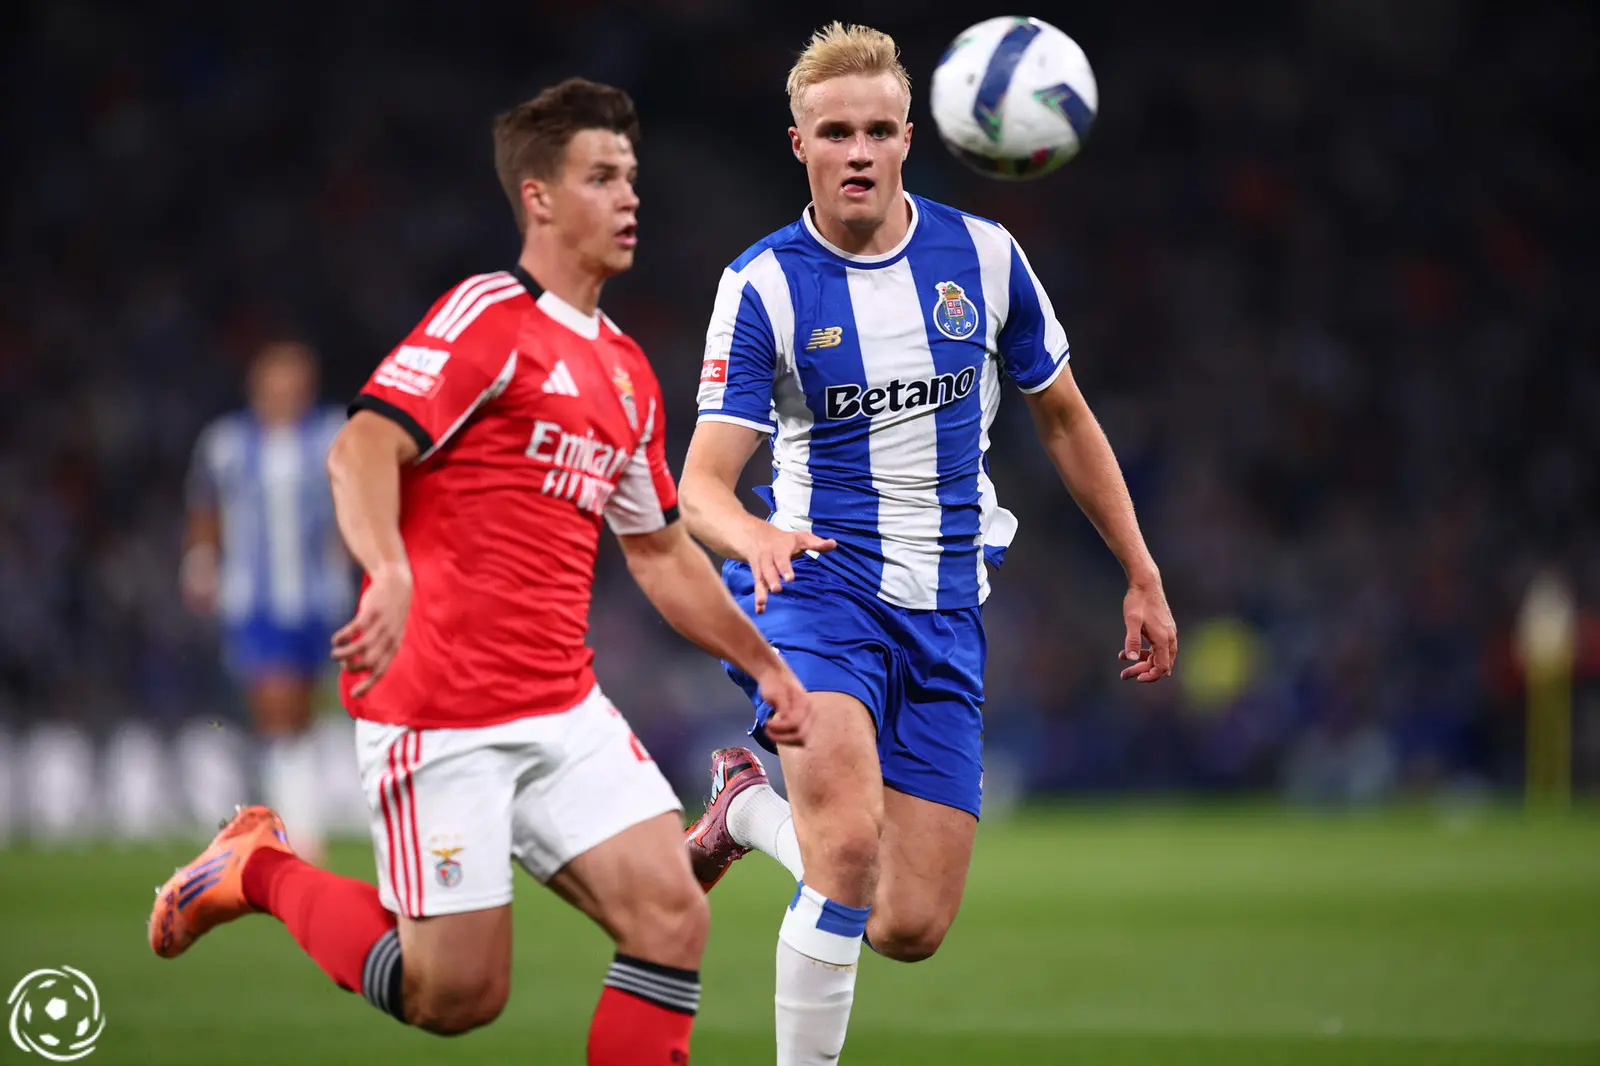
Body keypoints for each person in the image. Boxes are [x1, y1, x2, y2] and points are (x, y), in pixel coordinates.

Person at [150, 77, 810, 1064]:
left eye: (631, 176)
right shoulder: (488, 317)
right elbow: (361, 447)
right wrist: (388, 568)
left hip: (562, 704)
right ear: (538, 197)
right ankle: (258, 868)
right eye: (601, 177)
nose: (629, 196)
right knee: (456, 995)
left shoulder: (626, 370)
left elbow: (659, 550)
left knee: (673, 913)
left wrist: (761, 662)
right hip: (440, 709)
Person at [680, 23, 1178, 1065]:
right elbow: (701, 487)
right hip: (814, 593)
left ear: (911, 135)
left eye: (877, 130)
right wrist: (756, 535)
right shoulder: (764, 285)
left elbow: (1064, 418)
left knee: (908, 923)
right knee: (846, 848)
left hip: (945, 605)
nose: (857, 151)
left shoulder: (986, 259)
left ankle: (745, 808)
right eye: (834, 133)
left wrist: (1140, 569)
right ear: (799, 145)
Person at [183, 340, 351, 861]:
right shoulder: (227, 443)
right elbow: (205, 505)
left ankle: (282, 813)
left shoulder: (331, 434)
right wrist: (201, 561)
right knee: (274, 705)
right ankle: (298, 830)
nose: (285, 392)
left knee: (302, 711)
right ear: (256, 386)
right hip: (255, 600)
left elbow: (355, 498)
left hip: (319, 597)